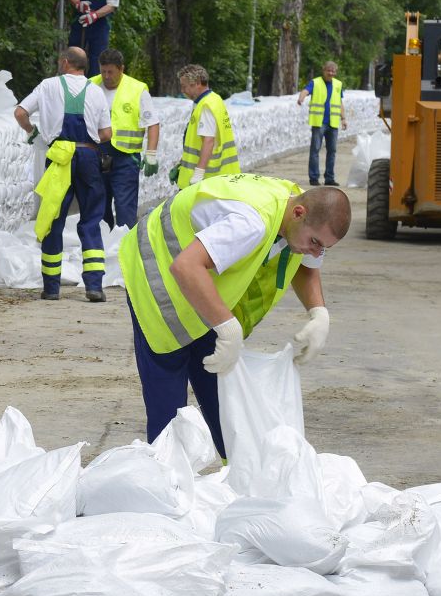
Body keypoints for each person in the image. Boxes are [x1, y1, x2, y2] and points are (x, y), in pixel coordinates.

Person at [120, 174, 351, 455]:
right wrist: (227, 327)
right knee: (168, 398)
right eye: (314, 242)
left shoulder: (301, 211)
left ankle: (237, 474)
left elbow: (307, 264)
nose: (315, 251)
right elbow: (186, 267)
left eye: (323, 247)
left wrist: (319, 313)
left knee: (224, 391)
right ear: (298, 213)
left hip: (201, 286)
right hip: (156, 275)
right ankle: (166, 480)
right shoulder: (250, 223)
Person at [14, 47, 113, 302]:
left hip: (59, 157)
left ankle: (51, 288)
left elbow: (20, 113)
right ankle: (94, 286)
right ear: (85, 67)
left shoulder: (47, 86)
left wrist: (34, 135)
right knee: (91, 219)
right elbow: (106, 134)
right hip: (88, 157)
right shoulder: (96, 91)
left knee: (53, 219)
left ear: (65, 62)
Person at [96, 49, 161, 229]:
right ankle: (101, 248)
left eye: (111, 72)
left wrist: (151, 154)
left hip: (125, 158)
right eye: (103, 71)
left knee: (125, 208)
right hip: (97, 155)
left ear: (121, 69)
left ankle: (125, 251)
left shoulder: (137, 89)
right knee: (98, 208)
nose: (106, 76)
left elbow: (153, 123)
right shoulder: (91, 86)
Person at [175, 64, 239, 185]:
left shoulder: (206, 106)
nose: (183, 91)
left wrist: (198, 173)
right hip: (216, 175)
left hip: (206, 177)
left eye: (185, 87)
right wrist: (182, 164)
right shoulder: (214, 99)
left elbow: (208, 140)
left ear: (198, 83)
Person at [296, 61, 346, 185]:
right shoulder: (315, 82)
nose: (330, 73)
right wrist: (301, 97)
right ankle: (314, 178)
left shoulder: (338, 84)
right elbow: (306, 91)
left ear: (335, 72)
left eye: (333, 71)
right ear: (323, 70)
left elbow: (339, 102)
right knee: (315, 150)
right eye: (328, 70)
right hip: (319, 123)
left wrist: (343, 118)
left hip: (332, 123)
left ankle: (329, 178)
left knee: (332, 151)